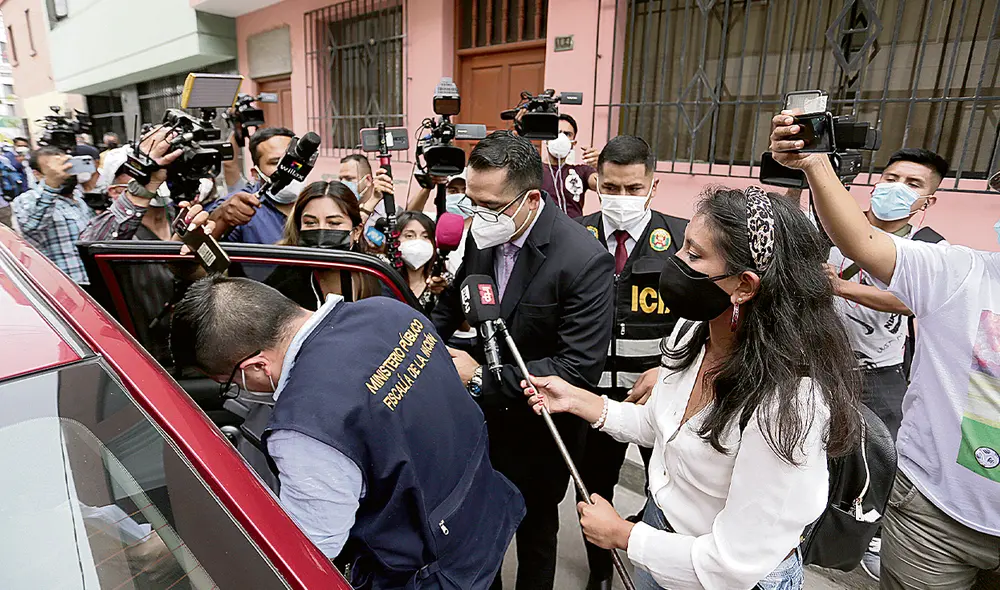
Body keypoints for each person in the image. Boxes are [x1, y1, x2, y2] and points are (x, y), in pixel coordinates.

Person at [523, 185, 862, 589]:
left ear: (745, 285)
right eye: (683, 247)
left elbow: (734, 563)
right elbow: (660, 424)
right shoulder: (692, 333)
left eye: (695, 255)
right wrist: (583, 402)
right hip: (662, 546)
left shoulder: (790, 404)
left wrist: (623, 535)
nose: (675, 262)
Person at [169, 275, 525, 588]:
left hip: (430, 572)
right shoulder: (389, 311)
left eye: (230, 382)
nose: (236, 391)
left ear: (257, 366)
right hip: (482, 519)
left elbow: (312, 551)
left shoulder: (304, 428)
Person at [771, 112, 1000, 590]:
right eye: (891, 177)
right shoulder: (841, 229)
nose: (896, 187)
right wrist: (808, 168)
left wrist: (841, 289)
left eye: (911, 183)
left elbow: (904, 302)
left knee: (874, 458)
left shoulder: (934, 251)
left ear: (928, 201)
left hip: (879, 373)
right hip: (822, 367)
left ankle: (869, 531)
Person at [431, 130, 615, 590]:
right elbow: (452, 305)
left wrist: (481, 378)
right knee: (477, 535)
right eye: (470, 202)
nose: (477, 215)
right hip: (476, 426)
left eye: (489, 205)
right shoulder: (483, 233)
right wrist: (422, 345)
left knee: (534, 534)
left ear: (531, 199)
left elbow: (576, 370)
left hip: (540, 428)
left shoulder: (582, 259)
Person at [574, 135, 688, 590]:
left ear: (653, 186)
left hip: (663, 394)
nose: (622, 199)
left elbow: (705, 319)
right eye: (612, 188)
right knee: (594, 489)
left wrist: (671, 368)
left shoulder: (683, 239)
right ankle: (600, 573)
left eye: (633, 189)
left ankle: (661, 569)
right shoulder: (575, 237)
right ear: (596, 182)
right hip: (593, 396)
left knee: (668, 490)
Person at [265, 180, 381, 309]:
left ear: (356, 231)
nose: (321, 231)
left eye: (334, 223)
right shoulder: (283, 281)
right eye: (310, 223)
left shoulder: (375, 273)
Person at [13, 147, 95, 283]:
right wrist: (52, 185)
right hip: (64, 286)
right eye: (54, 169)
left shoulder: (79, 199)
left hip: (94, 283)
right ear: (37, 174)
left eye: (66, 166)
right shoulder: (27, 199)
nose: (64, 173)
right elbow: (32, 226)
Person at [206, 127, 300, 244]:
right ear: (256, 174)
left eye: (291, 160)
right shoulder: (237, 207)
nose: (286, 169)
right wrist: (221, 218)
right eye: (275, 162)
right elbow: (201, 245)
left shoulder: (315, 199)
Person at [541, 114, 599, 218]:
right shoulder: (534, 170)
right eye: (557, 132)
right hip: (543, 232)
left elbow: (601, 186)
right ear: (546, 139)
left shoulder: (582, 172)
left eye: (567, 134)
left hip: (573, 231)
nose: (561, 137)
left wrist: (601, 166)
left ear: (573, 143)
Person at [396, 210, 450, 313]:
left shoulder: (443, 280)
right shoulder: (384, 278)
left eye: (425, 237)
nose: (418, 242)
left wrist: (444, 295)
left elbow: (463, 325)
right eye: (409, 236)